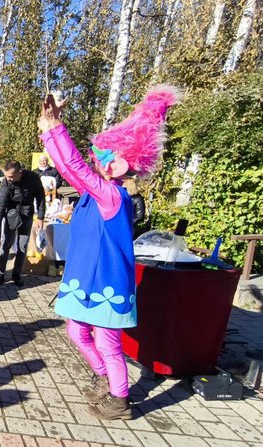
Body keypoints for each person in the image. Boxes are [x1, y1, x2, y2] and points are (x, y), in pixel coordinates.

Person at [38, 86, 178, 420]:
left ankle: (120, 400)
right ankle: (103, 376)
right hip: (83, 277)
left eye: (104, 156)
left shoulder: (112, 196)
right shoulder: (93, 193)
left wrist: (54, 129)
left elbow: (73, 167)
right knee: (77, 331)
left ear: (118, 165)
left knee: (108, 343)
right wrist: (49, 126)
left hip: (107, 281)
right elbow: (70, 168)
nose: (94, 160)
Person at [0, 160, 45, 287]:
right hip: (11, 213)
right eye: (6, 176)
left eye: (11, 176)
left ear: (19, 173)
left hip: (27, 214)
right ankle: (0, 272)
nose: (8, 179)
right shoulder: (6, 181)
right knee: (6, 244)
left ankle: (16, 274)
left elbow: (40, 197)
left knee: (22, 246)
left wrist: (40, 217)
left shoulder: (33, 178)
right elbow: (1, 204)